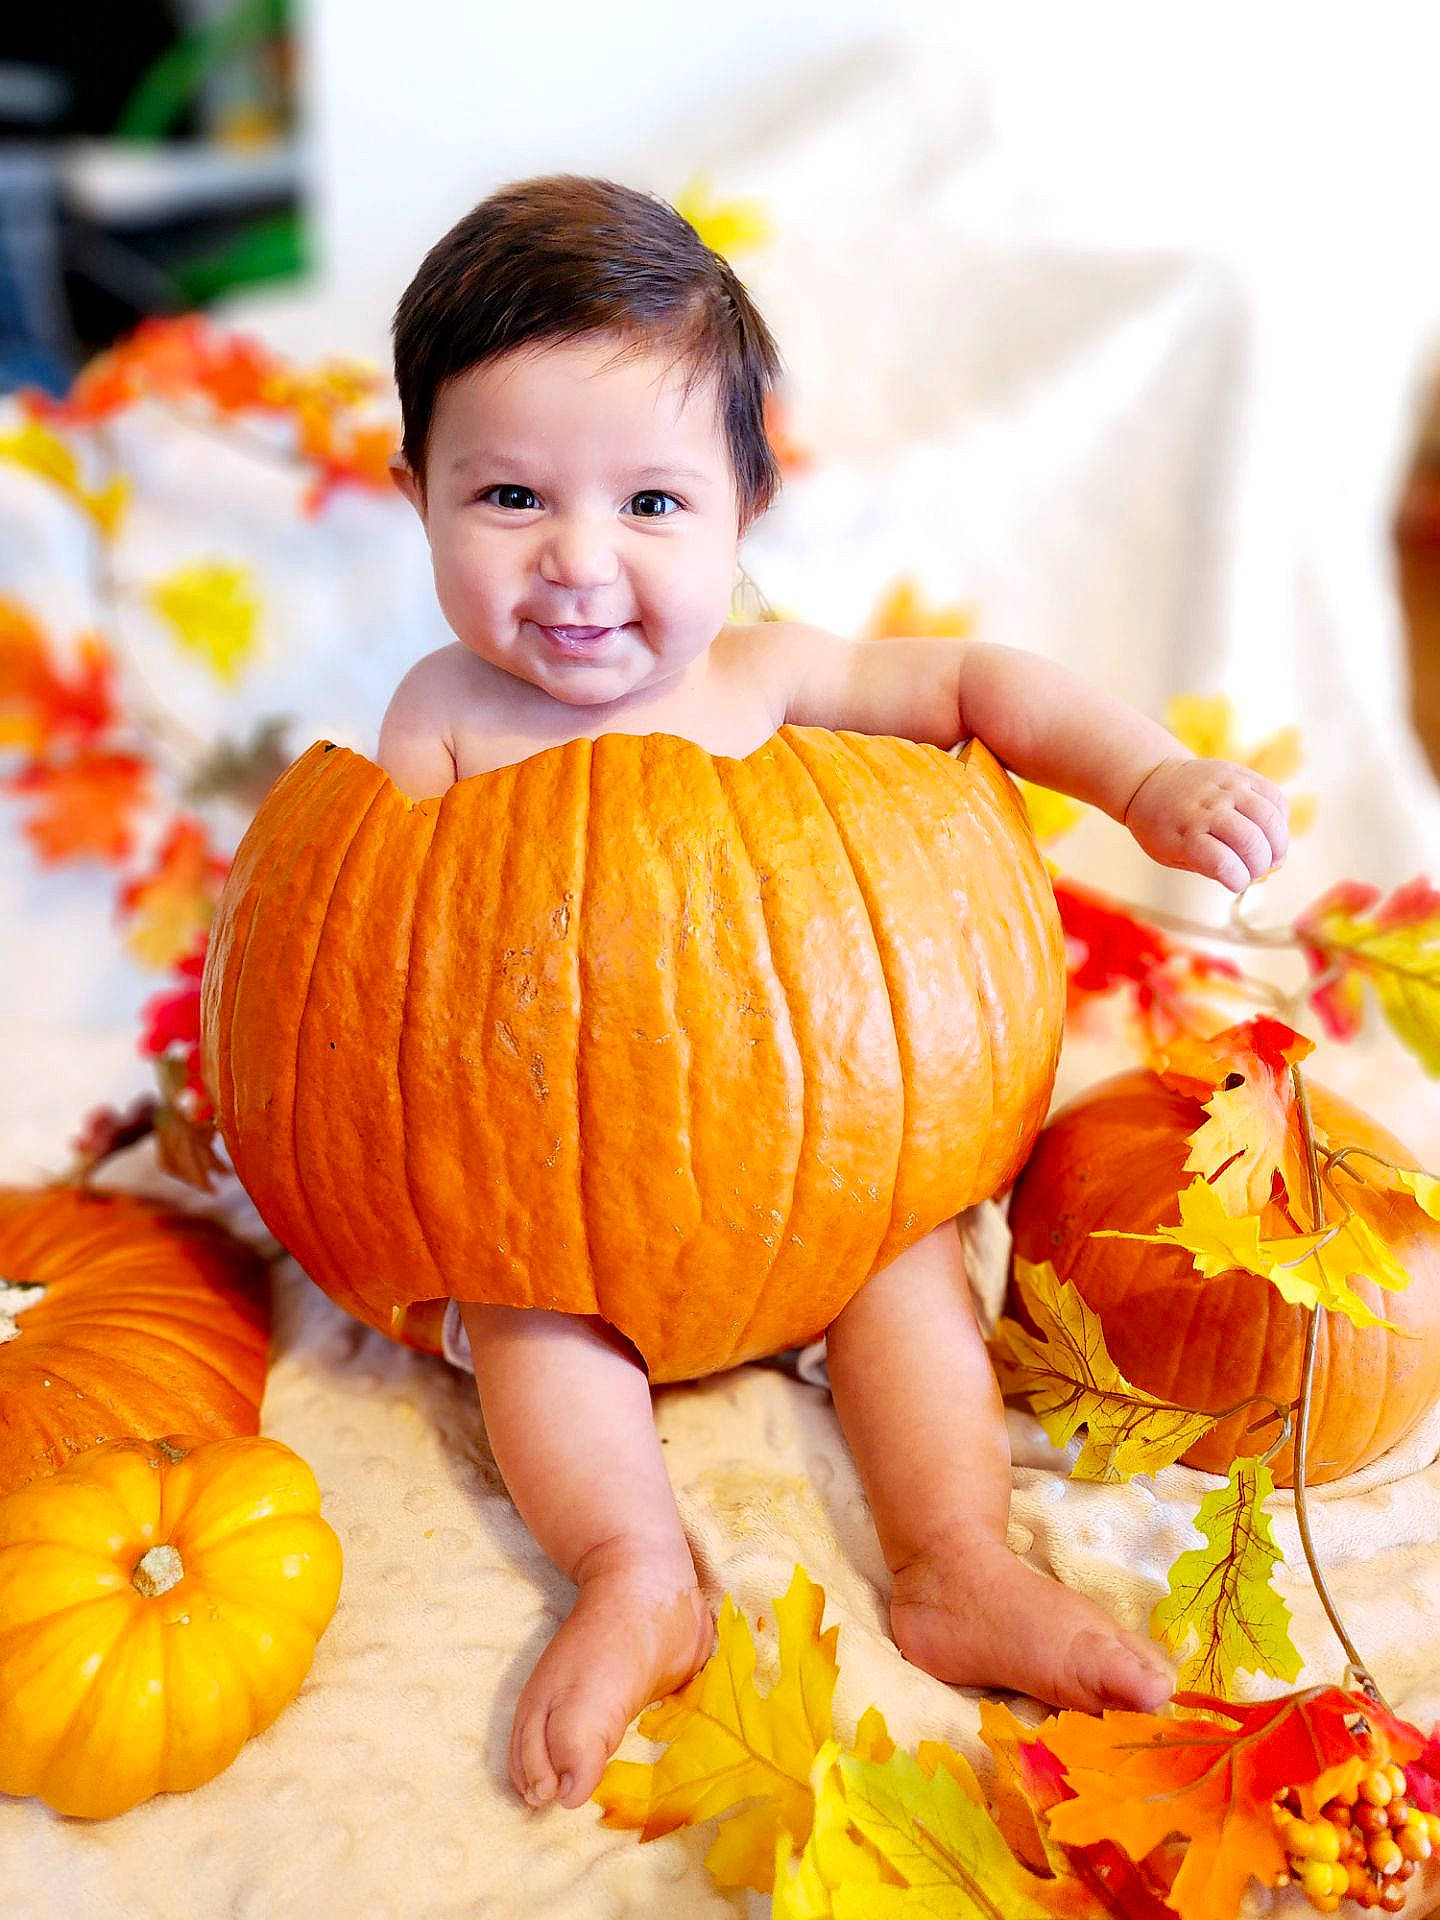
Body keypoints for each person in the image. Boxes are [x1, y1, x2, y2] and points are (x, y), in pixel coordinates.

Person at [376, 174, 1289, 1813]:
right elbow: (378, 982)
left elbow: (974, 688)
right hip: (554, 1188)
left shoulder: (764, 674)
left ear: (744, 504)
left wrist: (1146, 778)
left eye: (651, 504)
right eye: (508, 495)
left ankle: (950, 1557)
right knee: (529, 1314)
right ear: (416, 492)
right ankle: (633, 1567)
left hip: (801, 1172)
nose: (580, 561)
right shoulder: (438, 718)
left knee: (903, 1259)